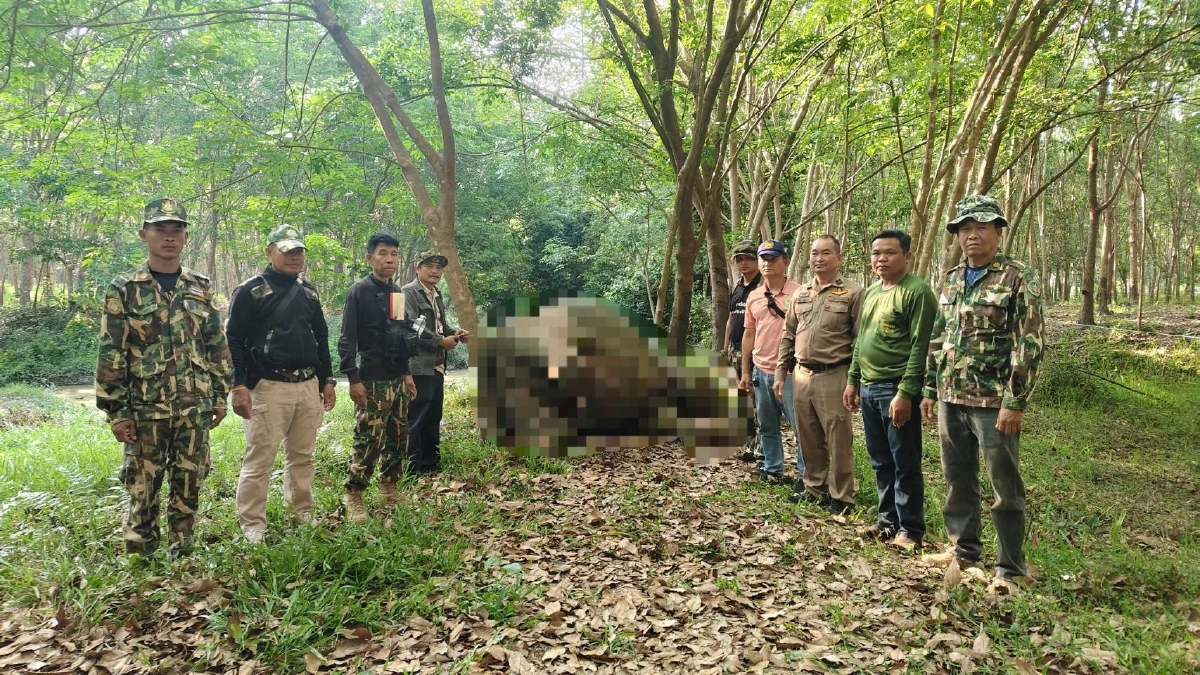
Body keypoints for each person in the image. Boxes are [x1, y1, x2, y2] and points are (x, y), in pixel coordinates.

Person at [96, 198, 232, 559]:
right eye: (160, 229)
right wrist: (117, 411)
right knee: (143, 487)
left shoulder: (199, 286)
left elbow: (216, 344)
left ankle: (182, 550)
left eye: (176, 230)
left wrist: (220, 396)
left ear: (186, 237)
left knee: (189, 483)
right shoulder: (124, 288)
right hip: (145, 409)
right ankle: (141, 556)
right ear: (144, 234)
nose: (168, 237)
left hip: (194, 406)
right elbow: (112, 352)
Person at [919, 195, 1045, 585]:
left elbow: (1030, 341)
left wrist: (1015, 400)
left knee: (1004, 486)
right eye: (965, 228)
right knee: (958, 479)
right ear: (958, 235)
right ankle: (964, 551)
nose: (972, 235)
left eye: (981, 227)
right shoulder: (953, 277)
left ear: (998, 231)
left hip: (993, 402)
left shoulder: (1018, 276)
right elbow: (939, 336)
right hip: (951, 397)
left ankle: (1010, 568)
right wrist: (928, 388)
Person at [226, 225, 336, 543]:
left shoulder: (309, 292)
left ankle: (302, 512)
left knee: (302, 456)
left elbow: (322, 336)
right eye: (287, 251)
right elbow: (233, 339)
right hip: (268, 388)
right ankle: (252, 524)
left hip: (307, 385)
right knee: (260, 457)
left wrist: (327, 379)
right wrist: (238, 385)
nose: (294, 257)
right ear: (270, 251)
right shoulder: (251, 291)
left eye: (299, 251)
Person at [844, 230, 937, 551]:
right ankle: (887, 521)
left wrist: (905, 393)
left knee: (904, 461)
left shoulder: (917, 292)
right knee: (880, 460)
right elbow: (861, 341)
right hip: (868, 389)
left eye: (889, 253)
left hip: (895, 390)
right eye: (875, 253)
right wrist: (853, 380)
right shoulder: (871, 293)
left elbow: (920, 346)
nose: (881, 259)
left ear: (907, 256)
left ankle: (910, 529)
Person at [775, 235, 864, 515]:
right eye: (814, 253)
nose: (819, 258)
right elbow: (788, 335)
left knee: (838, 439)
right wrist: (780, 372)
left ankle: (841, 497)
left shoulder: (853, 292)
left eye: (826, 253)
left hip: (834, 374)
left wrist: (854, 380)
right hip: (801, 375)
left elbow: (859, 339)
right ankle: (814, 488)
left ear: (839, 257)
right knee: (807, 435)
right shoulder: (801, 294)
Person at [338, 233, 418, 522]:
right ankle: (354, 493)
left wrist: (407, 372)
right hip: (371, 378)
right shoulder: (359, 291)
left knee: (398, 434)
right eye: (383, 253)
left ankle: (389, 486)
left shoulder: (397, 292)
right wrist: (352, 377)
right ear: (369, 258)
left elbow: (399, 335)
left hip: (396, 377)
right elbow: (347, 338)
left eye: (394, 254)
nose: (389, 259)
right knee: (368, 437)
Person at [738, 240, 802, 482]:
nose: (768, 263)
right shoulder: (754, 296)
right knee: (767, 425)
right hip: (761, 369)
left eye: (774, 258)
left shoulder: (800, 293)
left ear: (785, 261)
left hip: (791, 372)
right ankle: (773, 468)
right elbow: (749, 334)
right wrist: (746, 371)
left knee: (799, 427)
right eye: (764, 258)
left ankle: (806, 475)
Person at [403, 250, 470, 475]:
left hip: (437, 366)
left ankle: (430, 466)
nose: (435, 271)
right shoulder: (408, 293)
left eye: (439, 267)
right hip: (419, 366)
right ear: (417, 268)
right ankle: (412, 470)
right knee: (416, 416)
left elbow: (441, 325)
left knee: (433, 416)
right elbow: (411, 326)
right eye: (429, 266)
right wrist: (440, 341)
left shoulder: (435, 294)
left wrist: (455, 333)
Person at [723, 240, 763, 463]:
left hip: (755, 352)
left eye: (748, 258)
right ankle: (748, 444)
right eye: (739, 259)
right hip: (734, 350)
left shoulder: (763, 287)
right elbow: (730, 319)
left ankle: (760, 449)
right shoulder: (738, 286)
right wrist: (725, 346)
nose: (744, 263)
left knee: (757, 401)